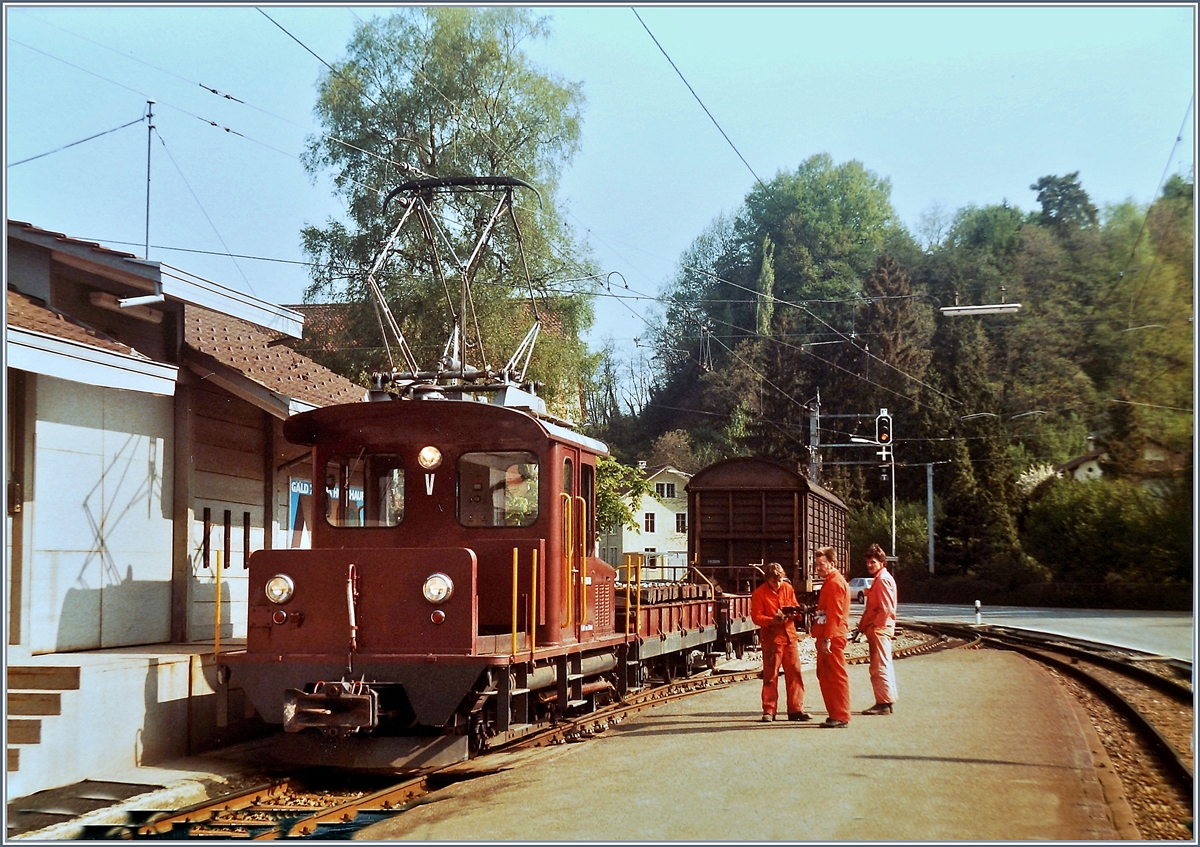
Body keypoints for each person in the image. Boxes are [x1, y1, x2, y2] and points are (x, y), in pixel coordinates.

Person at [749, 562, 810, 722]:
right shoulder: (759, 594)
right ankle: (769, 710)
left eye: (780, 580)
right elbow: (756, 617)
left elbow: (795, 606)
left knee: (795, 674)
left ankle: (796, 709)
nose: (778, 583)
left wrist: (796, 613)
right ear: (767, 579)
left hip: (789, 638)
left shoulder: (787, 588)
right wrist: (772, 620)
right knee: (770, 676)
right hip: (772, 640)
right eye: (774, 581)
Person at [811, 547, 851, 728]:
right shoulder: (832, 580)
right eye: (816, 564)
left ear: (832, 564)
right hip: (830, 634)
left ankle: (840, 715)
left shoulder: (834, 583)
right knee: (825, 674)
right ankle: (836, 713)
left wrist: (827, 638)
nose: (817, 567)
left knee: (835, 675)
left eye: (821, 564)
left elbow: (834, 613)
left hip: (832, 636)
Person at [857, 543, 898, 714]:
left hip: (880, 629)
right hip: (879, 629)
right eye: (868, 562)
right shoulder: (881, 578)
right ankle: (886, 700)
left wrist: (875, 626)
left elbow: (886, 608)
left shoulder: (882, 580)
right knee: (881, 664)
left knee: (879, 665)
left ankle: (884, 703)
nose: (869, 565)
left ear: (881, 562)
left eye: (873, 562)